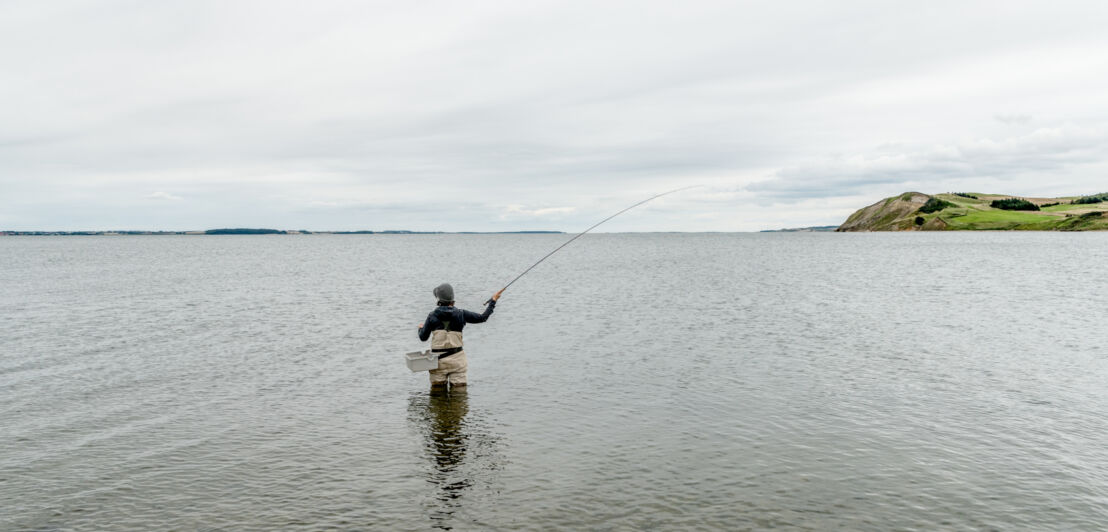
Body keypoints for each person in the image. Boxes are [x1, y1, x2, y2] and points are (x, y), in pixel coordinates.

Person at [418, 283, 503, 389]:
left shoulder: (432, 316)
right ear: (452, 298)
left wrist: (420, 328)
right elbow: (482, 317)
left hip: (438, 363)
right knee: (459, 397)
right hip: (457, 361)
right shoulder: (461, 314)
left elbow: (423, 337)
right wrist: (493, 301)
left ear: (438, 299)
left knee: (437, 397)